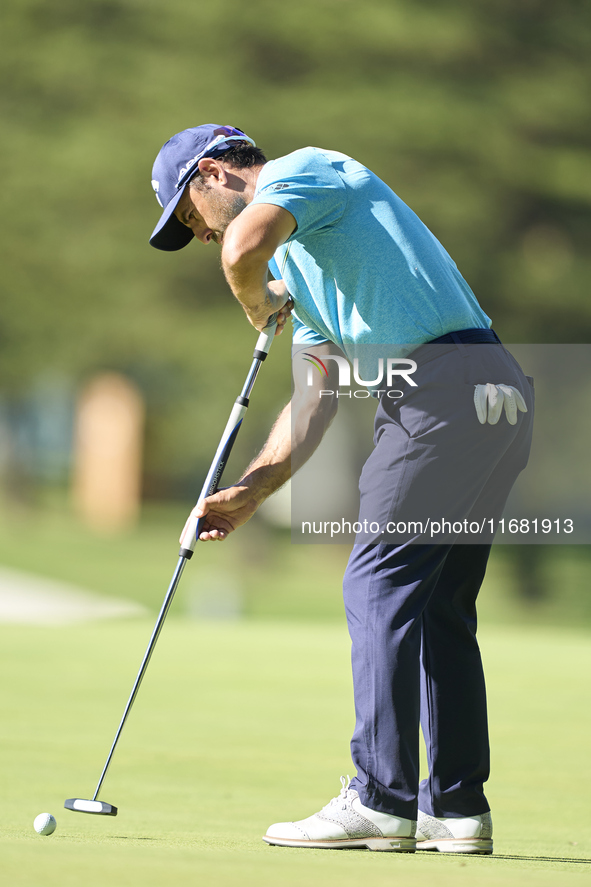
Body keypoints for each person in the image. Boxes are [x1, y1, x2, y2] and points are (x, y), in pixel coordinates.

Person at [149, 123, 534, 854]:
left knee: (375, 582)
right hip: (491, 392)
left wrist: (254, 298)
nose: (195, 234)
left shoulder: (307, 171)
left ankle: (379, 798)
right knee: (436, 604)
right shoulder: (304, 258)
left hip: (441, 391)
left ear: (213, 174)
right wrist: (250, 491)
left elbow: (239, 250)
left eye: (186, 214)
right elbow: (313, 398)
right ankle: (453, 808)